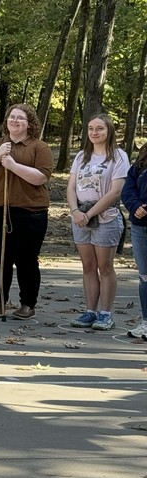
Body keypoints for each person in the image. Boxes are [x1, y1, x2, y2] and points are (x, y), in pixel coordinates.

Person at [0, 103, 52, 320]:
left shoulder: (39, 147)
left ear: (30, 124)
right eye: (11, 117)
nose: (15, 121)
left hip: (30, 212)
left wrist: (13, 165)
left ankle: (28, 303)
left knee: (27, 259)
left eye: (20, 118)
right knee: (0, 258)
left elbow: (41, 177)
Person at [66, 114, 129, 331]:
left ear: (109, 131)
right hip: (80, 218)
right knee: (88, 266)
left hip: (105, 217)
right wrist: (75, 211)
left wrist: (90, 213)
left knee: (105, 266)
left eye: (99, 128)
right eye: (91, 128)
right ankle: (90, 311)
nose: (94, 132)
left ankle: (106, 313)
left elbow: (116, 191)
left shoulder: (118, 156)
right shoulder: (82, 156)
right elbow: (71, 187)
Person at [121, 144, 147, 340]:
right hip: (140, 227)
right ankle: (146, 321)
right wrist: (135, 206)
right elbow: (127, 190)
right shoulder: (140, 162)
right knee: (145, 275)